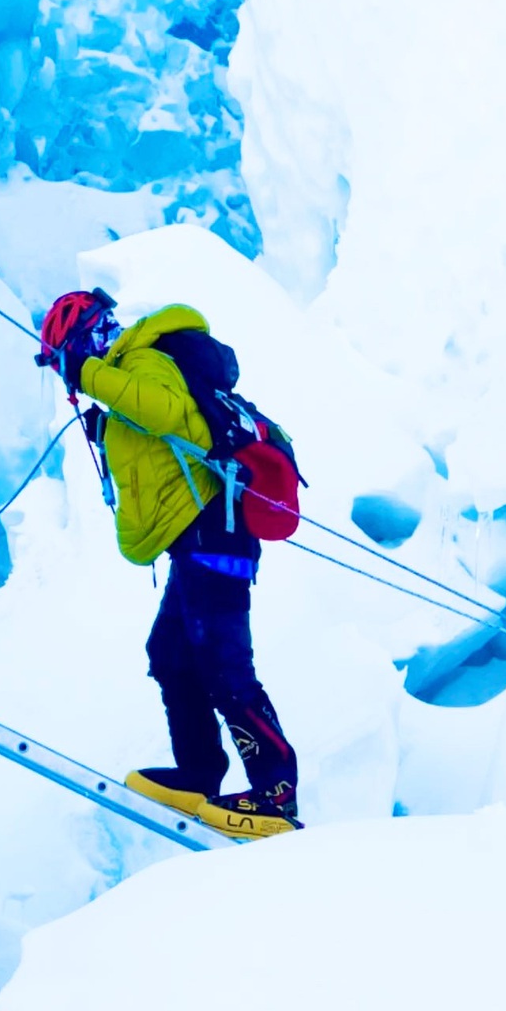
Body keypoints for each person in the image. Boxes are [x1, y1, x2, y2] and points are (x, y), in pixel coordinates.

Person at [37, 289, 301, 840]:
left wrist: (89, 373)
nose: (68, 372)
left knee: (226, 668)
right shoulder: (123, 386)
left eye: (68, 354)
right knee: (171, 654)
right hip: (195, 542)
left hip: (216, 533)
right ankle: (199, 772)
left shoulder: (145, 358)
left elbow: (164, 411)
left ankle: (276, 794)